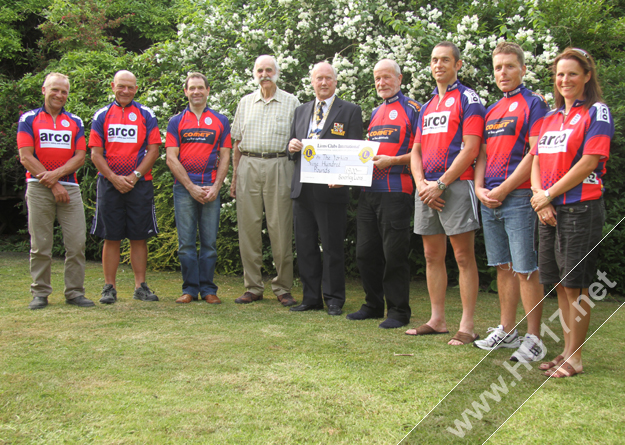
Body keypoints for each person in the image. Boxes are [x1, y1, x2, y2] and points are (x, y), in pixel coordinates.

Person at [530, 48, 613, 377]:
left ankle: (575, 358)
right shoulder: (549, 118)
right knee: (562, 285)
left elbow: (589, 162)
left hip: (581, 208)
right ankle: (565, 353)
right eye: (560, 74)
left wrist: (549, 193)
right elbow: (536, 160)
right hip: (549, 209)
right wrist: (541, 197)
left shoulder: (597, 112)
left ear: (587, 76)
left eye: (573, 74)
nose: (565, 80)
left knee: (576, 285)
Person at [473, 42, 549, 362]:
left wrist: (504, 188)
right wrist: (479, 187)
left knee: (525, 269)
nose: (502, 72)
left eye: (509, 66)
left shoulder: (534, 104)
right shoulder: (491, 109)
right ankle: (507, 331)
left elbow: (535, 153)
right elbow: (483, 154)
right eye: (498, 67)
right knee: (503, 267)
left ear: (523, 69)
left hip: (517, 197)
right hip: (489, 198)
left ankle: (534, 338)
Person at [408, 42, 485, 344]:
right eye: (434, 60)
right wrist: (422, 185)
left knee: (463, 257)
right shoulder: (425, 107)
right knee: (431, 256)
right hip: (426, 189)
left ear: (458, 64)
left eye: (445, 60)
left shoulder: (469, 99)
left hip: (456, 185)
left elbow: (471, 148)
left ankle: (467, 325)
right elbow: (415, 150)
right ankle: (437, 319)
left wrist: (440, 184)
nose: (438, 65)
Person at [346, 59, 421, 328]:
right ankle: (373, 304)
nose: (382, 83)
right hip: (369, 193)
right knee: (365, 253)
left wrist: (393, 161)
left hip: (396, 191)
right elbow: (364, 155)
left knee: (394, 254)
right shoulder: (376, 112)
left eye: (387, 77)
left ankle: (399, 311)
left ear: (400, 79)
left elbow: (421, 152)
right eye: (377, 78)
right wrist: (341, 176)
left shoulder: (413, 109)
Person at [287, 62, 363, 316]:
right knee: (306, 245)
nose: (323, 83)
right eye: (318, 78)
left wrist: (345, 178)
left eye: (328, 78)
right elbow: (291, 148)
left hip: (331, 189)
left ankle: (333, 299)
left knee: (332, 246)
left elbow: (355, 152)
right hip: (303, 188)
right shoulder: (300, 111)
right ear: (312, 81)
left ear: (335, 82)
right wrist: (292, 146)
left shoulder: (350, 111)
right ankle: (311, 297)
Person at [17, 72, 94, 309]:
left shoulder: (75, 122)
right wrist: (53, 182)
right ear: (44, 90)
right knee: (41, 243)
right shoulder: (28, 119)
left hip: (70, 188)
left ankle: (74, 292)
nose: (59, 95)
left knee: (76, 243)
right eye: (55, 90)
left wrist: (58, 178)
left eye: (64, 91)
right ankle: (40, 293)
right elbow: (25, 156)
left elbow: (80, 157)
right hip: (39, 187)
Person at [230, 55, 300, 307]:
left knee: (280, 228)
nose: (264, 74)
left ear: (277, 73)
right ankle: (253, 287)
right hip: (248, 165)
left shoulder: (292, 102)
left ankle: (283, 287)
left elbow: (301, 141)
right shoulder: (246, 102)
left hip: (280, 165)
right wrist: (235, 176)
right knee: (248, 229)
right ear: (254, 74)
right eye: (260, 70)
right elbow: (236, 142)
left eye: (269, 69)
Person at [89, 70, 162, 304]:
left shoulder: (146, 114)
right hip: (109, 184)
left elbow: (154, 150)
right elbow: (95, 154)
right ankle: (109, 287)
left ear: (136, 88)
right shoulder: (101, 115)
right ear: (113, 86)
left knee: (138, 237)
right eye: (121, 86)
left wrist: (134, 175)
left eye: (130, 87)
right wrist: (114, 178)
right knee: (111, 237)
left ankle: (141, 286)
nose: (126, 91)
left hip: (139, 184)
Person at [165, 73, 232, 304]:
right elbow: (171, 159)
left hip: (211, 189)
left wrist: (216, 186)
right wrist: (191, 187)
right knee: (185, 243)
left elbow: (225, 157)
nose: (196, 92)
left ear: (207, 90)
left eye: (200, 88)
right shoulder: (176, 122)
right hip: (184, 189)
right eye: (191, 88)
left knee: (209, 243)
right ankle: (190, 290)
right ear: (186, 91)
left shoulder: (221, 120)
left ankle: (209, 289)